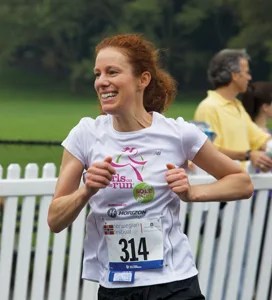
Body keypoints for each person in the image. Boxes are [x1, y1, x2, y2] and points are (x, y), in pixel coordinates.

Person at [47, 34, 253, 300]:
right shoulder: (85, 134)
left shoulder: (178, 133)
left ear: (142, 80)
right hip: (115, 286)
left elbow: (242, 181)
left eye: (112, 72)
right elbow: (54, 219)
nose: (102, 82)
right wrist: (85, 191)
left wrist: (192, 193)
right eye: (97, 74)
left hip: (174, 282)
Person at [194, 49, 272, 172]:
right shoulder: (208, 107)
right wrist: (248, 155)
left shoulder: (237, 106)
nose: (249, 77)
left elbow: (260, 139)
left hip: (241, 182)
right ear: (235, 75)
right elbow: (210, 151)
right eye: (246, 72)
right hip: (223, 184)